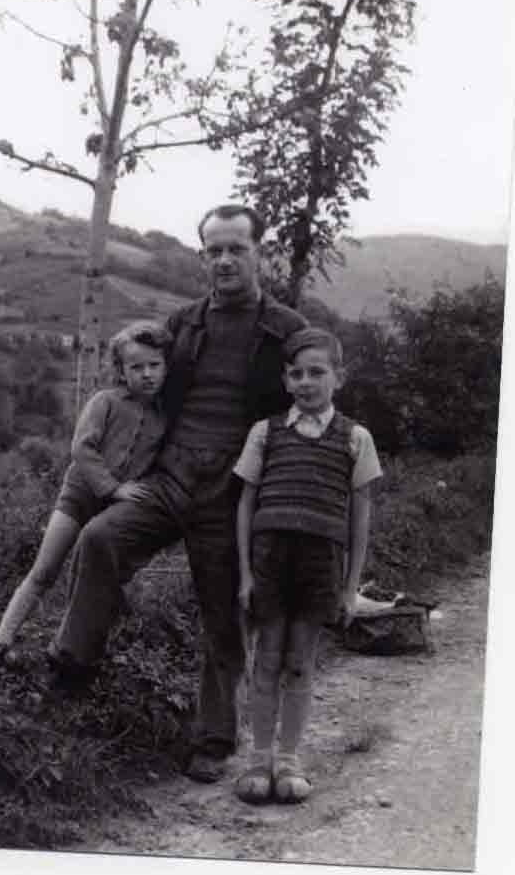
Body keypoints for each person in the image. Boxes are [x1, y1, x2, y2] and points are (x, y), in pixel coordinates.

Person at [48, 204, 308, 782]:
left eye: (235, 248)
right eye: (213, 250)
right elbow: (137, 386)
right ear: (201, 256)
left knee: (222, 609)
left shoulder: (287, 331)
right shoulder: (183, 325)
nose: (224, 260)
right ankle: (73, 670)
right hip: (168, 479)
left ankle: (214, 738)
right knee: (101, 537)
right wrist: (110, 462)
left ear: (258, 251)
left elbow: (306, 413)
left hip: (232, 490)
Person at [232, 327, 382, 804]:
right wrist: (246, 574)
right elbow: (245, 505)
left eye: (317, 372)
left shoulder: (355, 437)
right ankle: (258, 762)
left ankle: (290, 760)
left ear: (339, 376)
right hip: (270, 561)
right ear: (284, 379)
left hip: (320, 565)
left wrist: (350, 587)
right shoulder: (266, 432)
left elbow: (360, 516)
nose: (305, 382)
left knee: (300, 663)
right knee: (266, 660)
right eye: (295, 373)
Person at [0, 320, 171, 665]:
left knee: (94, 576)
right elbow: (82, 448)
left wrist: (135, 492)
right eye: (136, 367)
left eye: (155, 365)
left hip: (116, 509)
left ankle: (66, 644)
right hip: (80, 495)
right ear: (121, 371)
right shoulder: (105, 401)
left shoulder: (165, 416)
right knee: (45, 569)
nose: (147, 374)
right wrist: (113, 488)